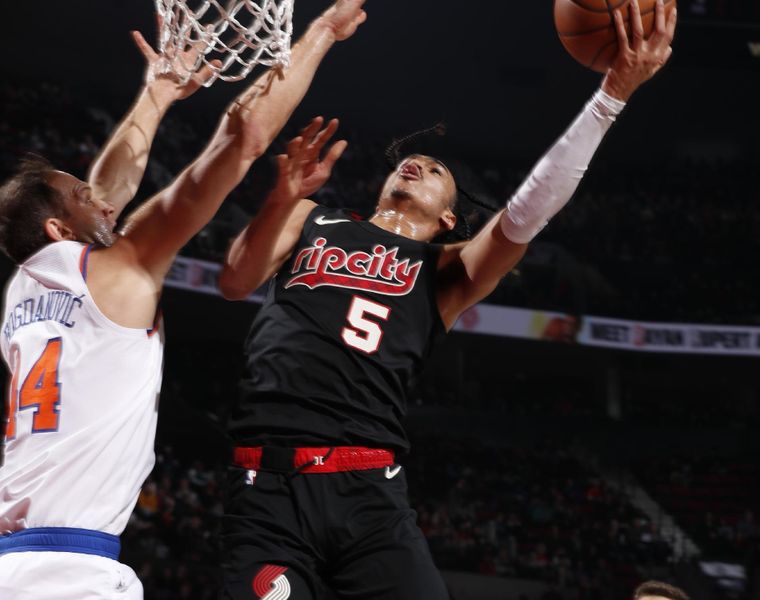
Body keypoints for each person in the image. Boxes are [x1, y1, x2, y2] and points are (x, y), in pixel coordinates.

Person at [219, 1, 676, 599]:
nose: (418, 164)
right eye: (413, 161)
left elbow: (526, 214)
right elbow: (233, 280)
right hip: (268, 491)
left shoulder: (447, 270)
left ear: (450, 219)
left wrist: (610, 96)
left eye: (435, 170)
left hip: (369, 496)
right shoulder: (312, 217)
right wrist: (279, 199)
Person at [0, 1, 367, 598]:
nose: (100, 197)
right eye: (82, 196)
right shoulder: (116, 270)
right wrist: (321, 33)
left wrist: (158, 95)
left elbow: (107, 194)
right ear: (59, 231)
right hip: (69, 573)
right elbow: (241, 140)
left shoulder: (22, 291)